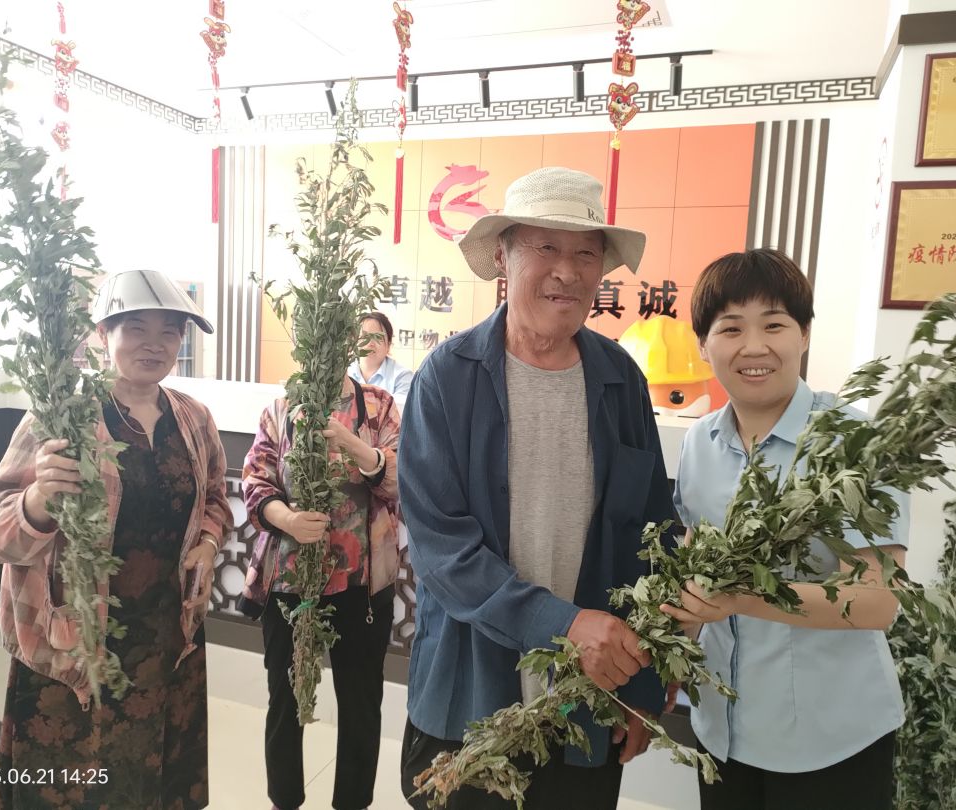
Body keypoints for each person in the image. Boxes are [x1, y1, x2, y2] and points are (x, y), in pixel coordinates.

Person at [398, 167, 676, 809]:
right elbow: (444, 553)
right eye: (545, 247)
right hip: (470, 695)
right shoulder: (447, 379)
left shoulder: (621, 382)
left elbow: (651, 537)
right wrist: (565, 625)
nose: (567, 271)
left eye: (586, 253)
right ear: (503, 255)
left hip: (587, 704)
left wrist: (641, 685)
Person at [660, 248, 908, 810]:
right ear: (704, 345)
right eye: (731, 328)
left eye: (773, 325)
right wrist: (674, 646)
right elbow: (698, 563)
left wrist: (741, 597)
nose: (754, 346)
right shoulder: (700, 442)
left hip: (830, 739)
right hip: (723, 731)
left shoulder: (853, 441)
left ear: (804, 335)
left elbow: (876, 601)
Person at [0, 268, 233, 809]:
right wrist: (39, 499)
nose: (154, 344)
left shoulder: (193, 418)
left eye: (170, 332)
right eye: (136, 328)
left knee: (152, 780)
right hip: (79, 643)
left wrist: (209, 544)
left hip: (167, 635)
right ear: (103, 334)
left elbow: (215, 499)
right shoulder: (60, 419)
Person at [239, 369, 401, 810]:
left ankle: (352, 802)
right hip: (291, 583)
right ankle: (284, 799)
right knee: (285, 699)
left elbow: (402, 479)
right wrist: (289, 520)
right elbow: (256, 480)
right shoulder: (281, 410)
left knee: (360, 702)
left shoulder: (380, 407)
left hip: (362, 584)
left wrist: (353, 444)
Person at [347, 310, 414, 414]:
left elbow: (397, 414)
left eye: (378, 337)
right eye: (365, 336)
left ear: (389, 345)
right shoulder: (344, 373)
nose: (370, 343)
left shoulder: (402, 377)